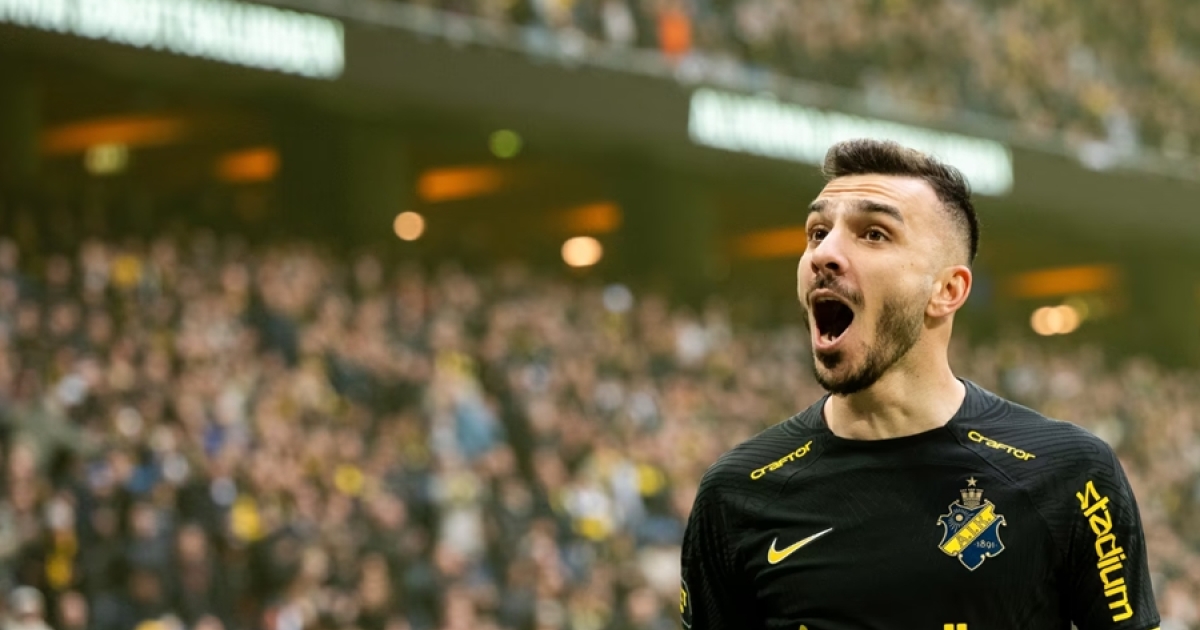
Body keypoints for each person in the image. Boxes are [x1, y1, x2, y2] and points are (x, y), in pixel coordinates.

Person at [679, 139, 1161, 629]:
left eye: (874, 234)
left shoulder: (1071, 474)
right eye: (818, 232)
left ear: (947, 290)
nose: (824, 253)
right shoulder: (736, 493)